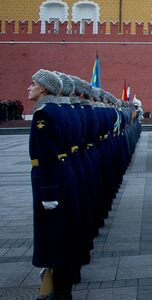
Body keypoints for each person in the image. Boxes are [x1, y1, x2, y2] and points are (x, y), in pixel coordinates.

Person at [28, 69, 84, 300]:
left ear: (43, 88)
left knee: (53, 235)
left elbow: (48, 155)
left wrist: (48, 192)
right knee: (63, 232)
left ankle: (60, 290)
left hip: (51, 179)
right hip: (65, 172)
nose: (28, 88)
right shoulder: (62, 111)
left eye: (32, 84)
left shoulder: (45, 114)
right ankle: (64, 283)